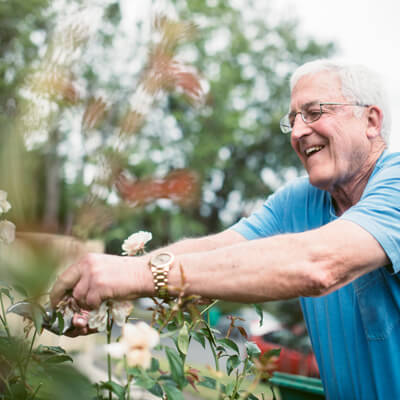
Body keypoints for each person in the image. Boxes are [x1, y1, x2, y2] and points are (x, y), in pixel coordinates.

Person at [50, 59, 400, 400]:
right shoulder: (300, 200)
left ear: (370, 120)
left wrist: (140, 277)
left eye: (314, 112)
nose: (297, 132)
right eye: (292, 119)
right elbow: (217, 250)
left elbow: (318, 264)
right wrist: (112, 285)